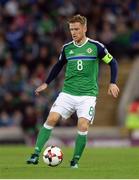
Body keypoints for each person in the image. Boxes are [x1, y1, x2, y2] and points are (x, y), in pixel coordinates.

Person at [26, 14, 119, 168]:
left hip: (87, 95)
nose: (73, 32)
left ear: (85, 28)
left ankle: (75, 161)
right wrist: (46, 83)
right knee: (52, 118)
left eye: (76, 29)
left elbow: (113, 62)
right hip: (68, 93)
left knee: (82, 125)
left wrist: (113, 83)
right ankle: (35, 154)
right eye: (71, 29)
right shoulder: (67, 48)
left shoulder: (96, 47)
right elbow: (58, 65)